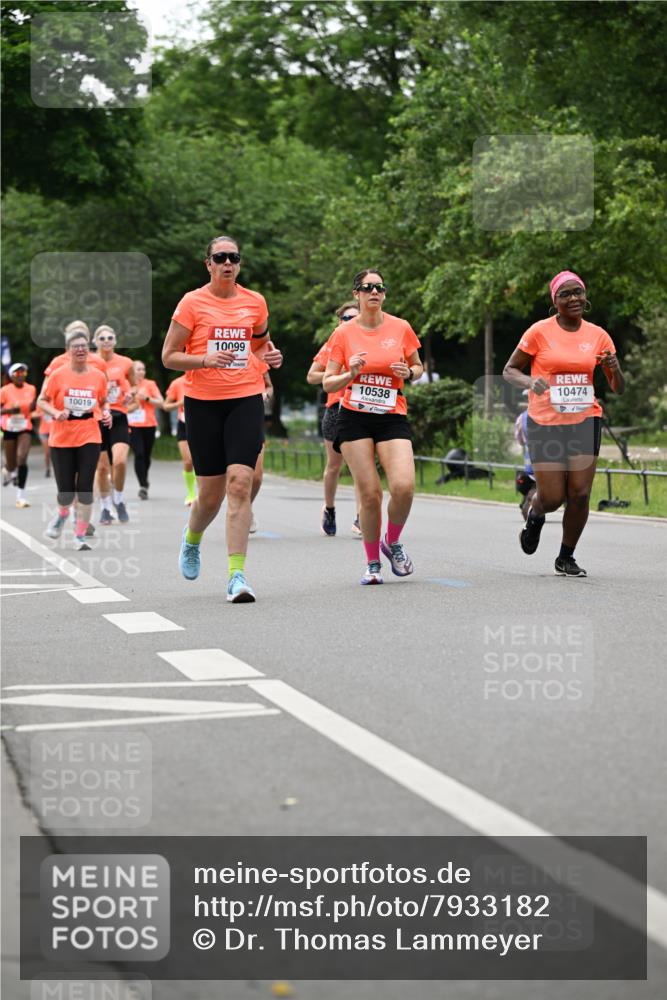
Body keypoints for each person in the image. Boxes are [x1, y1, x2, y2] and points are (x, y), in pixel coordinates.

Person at [161, 235, 283, 603]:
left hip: (245, 397)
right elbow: (169, 356)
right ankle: (192, 538)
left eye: (234, 257)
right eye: (220, 257)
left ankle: (236, 576)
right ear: (208, 264)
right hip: (202, 402)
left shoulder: (254, 302)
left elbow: (260, 344)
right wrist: (203, 360)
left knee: (241, 484)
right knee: (210, 496)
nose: (228, 263)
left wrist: (270, 357)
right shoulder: (192, 303)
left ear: (239, 264)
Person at [503, 270, 625, 577]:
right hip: (546, 421)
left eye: (578, 292)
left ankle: (566, 557)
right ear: (554, 300)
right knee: (554, 498)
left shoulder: (598, 335)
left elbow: (618, 387)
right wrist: (531, 381)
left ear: (586, 296)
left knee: (581, 493)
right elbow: (510, 370)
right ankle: (535, 514)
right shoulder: (538, 332)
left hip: (585, 419)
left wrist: (614, 367)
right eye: (565, 294)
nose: (573, 299)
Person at [322, 269, 423, 585]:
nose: (374, 292)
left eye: (379, 287)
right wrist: (349, 374)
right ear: (356, 294)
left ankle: (391, 542)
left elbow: (419, 367)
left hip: (392, 414)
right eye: (367, 287)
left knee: (404, 487)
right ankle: (372, 563)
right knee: (370, 494)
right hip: (354, 416)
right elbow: (328, 381)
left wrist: (409, 372)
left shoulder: (401, 327)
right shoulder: (344, 334)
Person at [38, 330, 112, 550]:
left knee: (85, 487)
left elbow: (104, 401)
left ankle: (80, 536)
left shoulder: (98, 375)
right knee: (66, 491)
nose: (80, 349)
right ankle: (62, 514)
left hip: (89, 435)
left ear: (88, 350)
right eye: (75, 346)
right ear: (68, 350)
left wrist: (106, 413)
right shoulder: (58, 375)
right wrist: (55, 412)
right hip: (61, 438)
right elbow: (42, 401)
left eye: (84, 346)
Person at [307, 300, 361, 536]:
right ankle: (329, 509)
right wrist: (336, 372)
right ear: (339, 322)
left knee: (361, 467)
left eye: (355, 318)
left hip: (361, 409)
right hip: (335, 409)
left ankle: (362, 516)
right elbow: (311, 376)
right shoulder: (332, 344)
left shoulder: (371, 343)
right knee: (334, 466)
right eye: (346, 319)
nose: (350, 323)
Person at [92, 324, 136, 524]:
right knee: (101, 468)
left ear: (115, 341)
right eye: (102, 338)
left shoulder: (126, 362)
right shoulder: (90, 363)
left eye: (110, 337)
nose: (106, 341)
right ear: (95, 342)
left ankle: (118, 498)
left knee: (119, 461)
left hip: (119, 415)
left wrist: (130, 394)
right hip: (97, 417)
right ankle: (105, 507)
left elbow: (134, 385)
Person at [1, 363, 37, 508]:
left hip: (24, 427)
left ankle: (20, 496)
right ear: (11, 376)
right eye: (17, 373)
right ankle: (9, 470)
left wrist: (32, 408)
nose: (20, 376)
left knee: (22, 458)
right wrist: (9, 410)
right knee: (11, 464)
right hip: (9, 428)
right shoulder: (4, 390)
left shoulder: (31, 389)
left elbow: (33, 406)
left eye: (23, 373)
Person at [127, 360, 164, 499]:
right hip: (133, 425)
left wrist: (147, 398)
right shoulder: (126, 383)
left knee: (146, 456)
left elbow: (161, 402)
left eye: (143, 369)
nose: (141, 372)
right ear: (132, 371)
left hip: (149, 425)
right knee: (139, 454)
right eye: (138, 369)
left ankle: (144, 479)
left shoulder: (150, 384)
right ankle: (143, 485)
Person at [163, 374, 197, 506]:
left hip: (202, 424)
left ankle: (204, 493)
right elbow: (166, 406)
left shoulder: (206, 378)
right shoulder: (177, 383)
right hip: (184, 424)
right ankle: (191, 494)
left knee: (203, 461)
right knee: (188, 461)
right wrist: (180, 403)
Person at [514, 407, 536, 521]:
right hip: (554, 460)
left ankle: (528, 503)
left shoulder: (523, 417)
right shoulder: (554, 411)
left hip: (530, 462)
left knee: (531, 484)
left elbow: (520, 441)